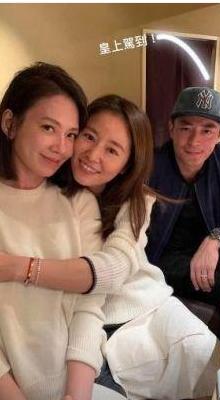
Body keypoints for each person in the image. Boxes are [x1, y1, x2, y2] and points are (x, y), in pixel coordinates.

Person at [0, 94, 219, 399]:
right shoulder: (52, 192)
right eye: (88, 137)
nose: (93, 155)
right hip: (92, 320)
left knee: (205, 357)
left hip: (143, 303)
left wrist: (17, 268)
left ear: (126, 165)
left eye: (112, 150)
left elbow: (113, 270)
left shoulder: (136, 201)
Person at [0, 62, 105, 400]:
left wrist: (76, 394)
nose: (61, 147)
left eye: (71, 135)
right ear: (10, 123)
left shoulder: (78, 203)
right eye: (48, 127)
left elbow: (89, 307)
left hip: (74, 383)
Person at [145, 87, 220, 311]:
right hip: (162, 261)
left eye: (207, 131)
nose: (194, 142)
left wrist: (215, 239)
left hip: (214, 255)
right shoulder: (149, 168)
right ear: (171, 128)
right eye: (186, 128)